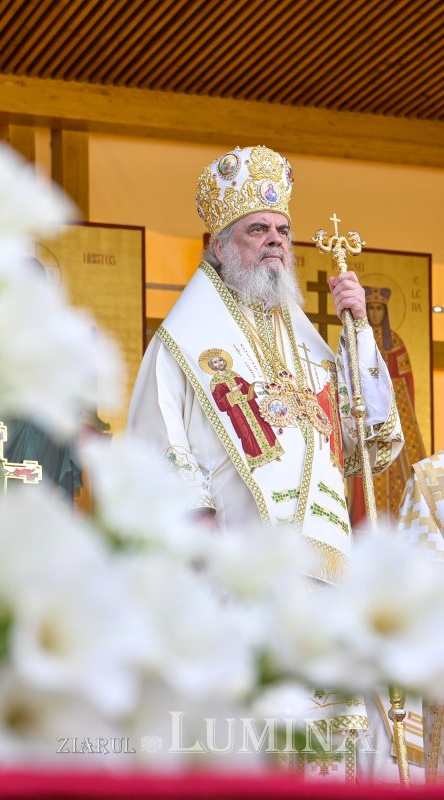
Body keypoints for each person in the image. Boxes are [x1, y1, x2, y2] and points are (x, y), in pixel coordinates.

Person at [127, 145, 405, 780]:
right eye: (258, 230)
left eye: (282, 230)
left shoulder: (306, 347)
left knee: (332, 742)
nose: (276, 243)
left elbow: (371, 440)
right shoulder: (180, 345)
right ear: (219, 244)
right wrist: (207, 569)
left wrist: (357, 328)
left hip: (327, 582)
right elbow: (159, 458)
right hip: (239, 585)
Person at [349, 286, 426, 523]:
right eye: (370, 308)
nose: (374, 313)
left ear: (385, 312)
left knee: (398, 462)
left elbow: (406, 382)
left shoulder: (396, 343)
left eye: (378, 309)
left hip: (393, 414)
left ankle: (404, 518)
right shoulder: (357, 342)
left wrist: (386, 390)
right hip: (367, 416)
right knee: (367, 462)